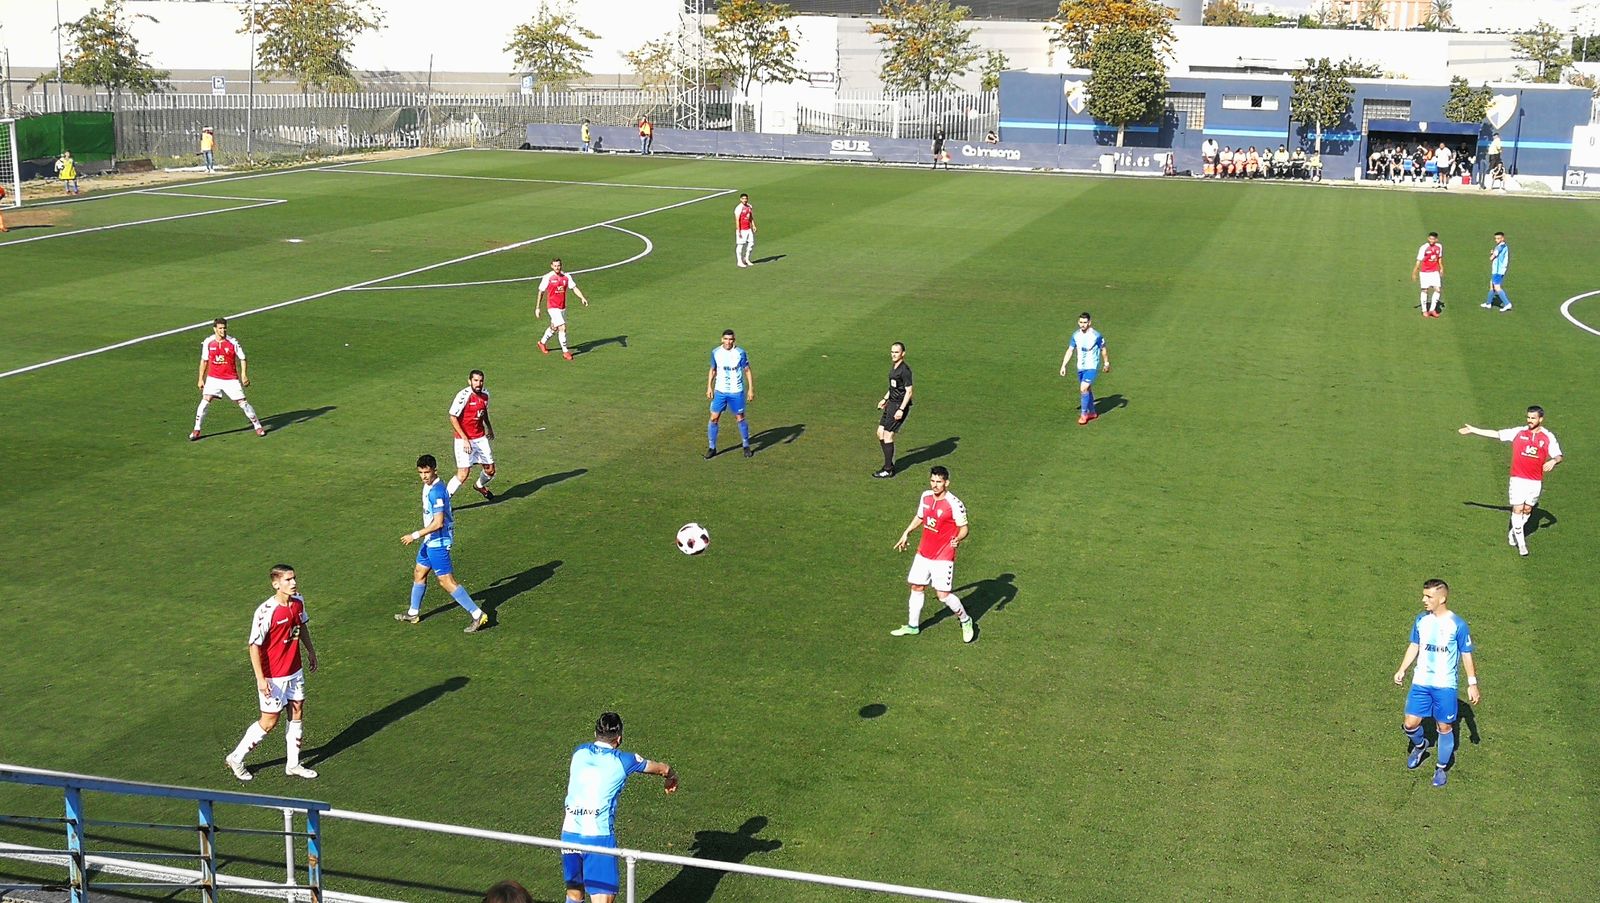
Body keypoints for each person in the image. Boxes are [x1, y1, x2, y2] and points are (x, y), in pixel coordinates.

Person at [560, 712, 677, 903]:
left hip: (569, 835)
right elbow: (661, 768)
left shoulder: (579, 752)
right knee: (602, 899)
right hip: (598, 838)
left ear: (595, 733)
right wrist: (672, 776)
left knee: (574, 893)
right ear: (619, 738)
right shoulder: (624, 761)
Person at [225, 564, 320, 781]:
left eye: (294, 578)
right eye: (288, 580)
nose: (293, 583)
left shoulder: (298, 602)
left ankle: (293, 765)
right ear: (275, 584)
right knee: (269, 721)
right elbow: (253, 646)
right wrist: (261, 678)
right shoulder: (266, 612)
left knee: (297, 712)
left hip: (294, 670)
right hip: (274, 676)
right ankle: (236, 757)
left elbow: (301, 625)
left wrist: (311, 651)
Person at [1392, 579, 1479, 788]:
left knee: (1445, 726)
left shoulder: (1457, 625)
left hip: (1444, 686)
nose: (1424, 600)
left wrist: (1472, 683)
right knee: (1410, 724)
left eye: (1428, 596)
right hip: (1421, 682)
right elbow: (1415, 645)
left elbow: (1466, 655)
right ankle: (1421, 746)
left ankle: (1440, 768)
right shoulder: (1421, 620)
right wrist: (1402, 669)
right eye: (1424, 595)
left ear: (1442, 598)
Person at [397, 455, 489, 631]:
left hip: (438, 542)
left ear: (435, 470)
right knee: (419, 572)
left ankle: (478, 615)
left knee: (446, 581)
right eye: (421, 472)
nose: (424, 476)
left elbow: (438, 523)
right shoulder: (429, 486)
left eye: (427, 472)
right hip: (430, 540)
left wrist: (414, 535)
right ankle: (413, 613)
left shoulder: (437, 492)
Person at [1458, 406, 1562, 556]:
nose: (1529, 420)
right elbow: (1496, 434)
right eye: (1528, 417)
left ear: (1540, 419)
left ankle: (1514, 531)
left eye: (1533, 418)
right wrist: (1474, 430)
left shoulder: (1548, 436)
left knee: (1527, 510)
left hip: (1535, 481)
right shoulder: (1519, 432)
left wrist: (1553, 461)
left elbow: (1559, 455)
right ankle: (1521, 544)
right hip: (1518, 479)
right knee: (1517, 509)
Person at [891, 466, 975, 643]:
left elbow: (964, 528)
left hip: (943, 555)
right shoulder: (926, 496)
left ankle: (966, 620)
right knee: (916, 587)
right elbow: (920, 517)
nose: (935, 485)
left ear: (946, 483)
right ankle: (913, 626)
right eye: (933, 481)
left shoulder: (954, 503)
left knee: (943, 595)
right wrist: (906, 532)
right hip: (923, 552)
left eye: (939, 482)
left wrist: (958, 539)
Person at [192, 317, 266, 440]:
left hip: (230, 379)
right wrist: (201, 379)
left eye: (224, 328)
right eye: (220, 328)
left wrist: (244, 375)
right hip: (213, 378)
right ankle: (196, 429)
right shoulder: (208, 342)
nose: (223, 330)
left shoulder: (233, 342)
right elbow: (204, 361)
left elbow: (242, 358)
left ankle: (257, 426)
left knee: (243, 403)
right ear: (215, 329)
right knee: (205, 402)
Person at [448, 369, 496, 499]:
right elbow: (453, 417)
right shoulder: (463, 396)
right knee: (463, 473)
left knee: (490, 470)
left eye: (481, 381)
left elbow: (483, 411)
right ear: (469, 381)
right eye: (475, 381)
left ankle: (479, 486)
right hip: (464, 439)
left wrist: (489, 427)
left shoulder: (485, 394)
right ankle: (444, 501)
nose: (478, 384)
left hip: (480, 438)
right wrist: (464, 439)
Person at [706, 329, 754, 458]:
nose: (728, 342)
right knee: (714, 418)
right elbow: (713, 369)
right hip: (720, 391)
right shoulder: (716, 352)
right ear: (722, 339)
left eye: (731, 339)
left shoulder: (740, 353)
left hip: (736, 391)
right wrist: (709, 387)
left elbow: (747, 370)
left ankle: (746, 445)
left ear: (734, 340)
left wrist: (750, 389)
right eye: (726, 339)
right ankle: (712, 447)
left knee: (740, 417)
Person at [1059, 311, 1110, 425]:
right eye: (1081, 322)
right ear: (1078, 322)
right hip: (1080, 366)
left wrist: (1106, 363)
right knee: (1087, 389)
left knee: (1083, 388)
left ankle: (1084, 415)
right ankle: (1092, 412)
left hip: (1092, 366)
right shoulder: (1075, 335)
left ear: (1089, 322)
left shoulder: (1096, 335)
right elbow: (1070, 350)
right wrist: (1064, 365)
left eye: (1085, 322)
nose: (1082, 324)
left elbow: (1103, 349)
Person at [536, 257, 591, 361]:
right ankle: (565, 352)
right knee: (562, 327)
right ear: (552, 266)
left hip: (562, 307)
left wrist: (582, 298)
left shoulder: (566, 277)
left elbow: (574, 288)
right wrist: (537, 308)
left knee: (554, 327)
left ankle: (542, 343)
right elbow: (541, 292)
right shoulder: (548, 277)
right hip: (552, 307)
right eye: (555, 266)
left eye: (559, 265)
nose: (557, 267)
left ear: (561, 266)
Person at [874, 342, 913, 478]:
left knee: (888, 435)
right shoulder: (894, 367)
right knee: (880, 433)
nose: (893, 354)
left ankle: (888, 469)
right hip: (891, 404)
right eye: (892, 352)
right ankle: (888, 464)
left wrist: (901, 409)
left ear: (903, 353)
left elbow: (909, 392)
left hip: (898, 406)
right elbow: (893, 388)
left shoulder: (905, 370)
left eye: (896, 352)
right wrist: (884, 399)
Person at [1411, 231, 1444, 318]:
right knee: (1425, 290)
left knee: (1438, 290)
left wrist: (1441, 268)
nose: (1431, 240)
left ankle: (1432, 310)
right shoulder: (1423, 248)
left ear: (1436, 239)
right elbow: (1418, 261)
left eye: (1433, 239)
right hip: (1425, 272)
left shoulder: (1439, 247)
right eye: (1430, 238)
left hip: (1434, 272)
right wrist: (1414, 273)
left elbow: (1439, 259)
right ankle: (1424, 310)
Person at [1482, 231, 1511, 312]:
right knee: (1492, 284)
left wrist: (1492, 255)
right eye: (1496, 238)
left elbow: (1492, 257)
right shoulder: (1504, 246)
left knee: (1497, 287)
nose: (1496, 240)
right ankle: (1488, 303)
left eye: (1498, 238)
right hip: (1499, 270)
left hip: (1498, 270)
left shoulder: (1499, 247)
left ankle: (1507, 303)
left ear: (1503, 238)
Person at [733, 193, 757, 268]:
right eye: (743, 199)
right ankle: (739, 261)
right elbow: (737, 220)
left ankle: (746, 259)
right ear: (740, 199)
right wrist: (738, 230)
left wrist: (753, 225)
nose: (745, 200)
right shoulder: (738, 208)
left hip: (748, 229)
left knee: (751, 244)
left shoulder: (749, 206)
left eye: (746, 198)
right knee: (740, 245)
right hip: (742, 229)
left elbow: (750, 217)